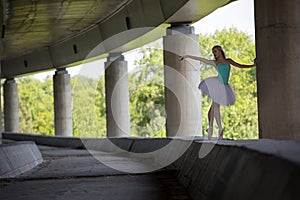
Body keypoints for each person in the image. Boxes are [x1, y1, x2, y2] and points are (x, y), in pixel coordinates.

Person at [180, 45, 256, 139]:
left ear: (220, 51)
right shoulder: (215, 62)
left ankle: (212, 129)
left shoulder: (229, 61)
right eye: (213, 52)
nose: (214, 53)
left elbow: (241, 66)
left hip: (224, 86)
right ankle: (217, 129)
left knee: (213, 109)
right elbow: (201, 59)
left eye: (215, 51)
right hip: (217, 84)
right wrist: (187, 56)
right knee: (214, 107)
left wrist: (252, 65)